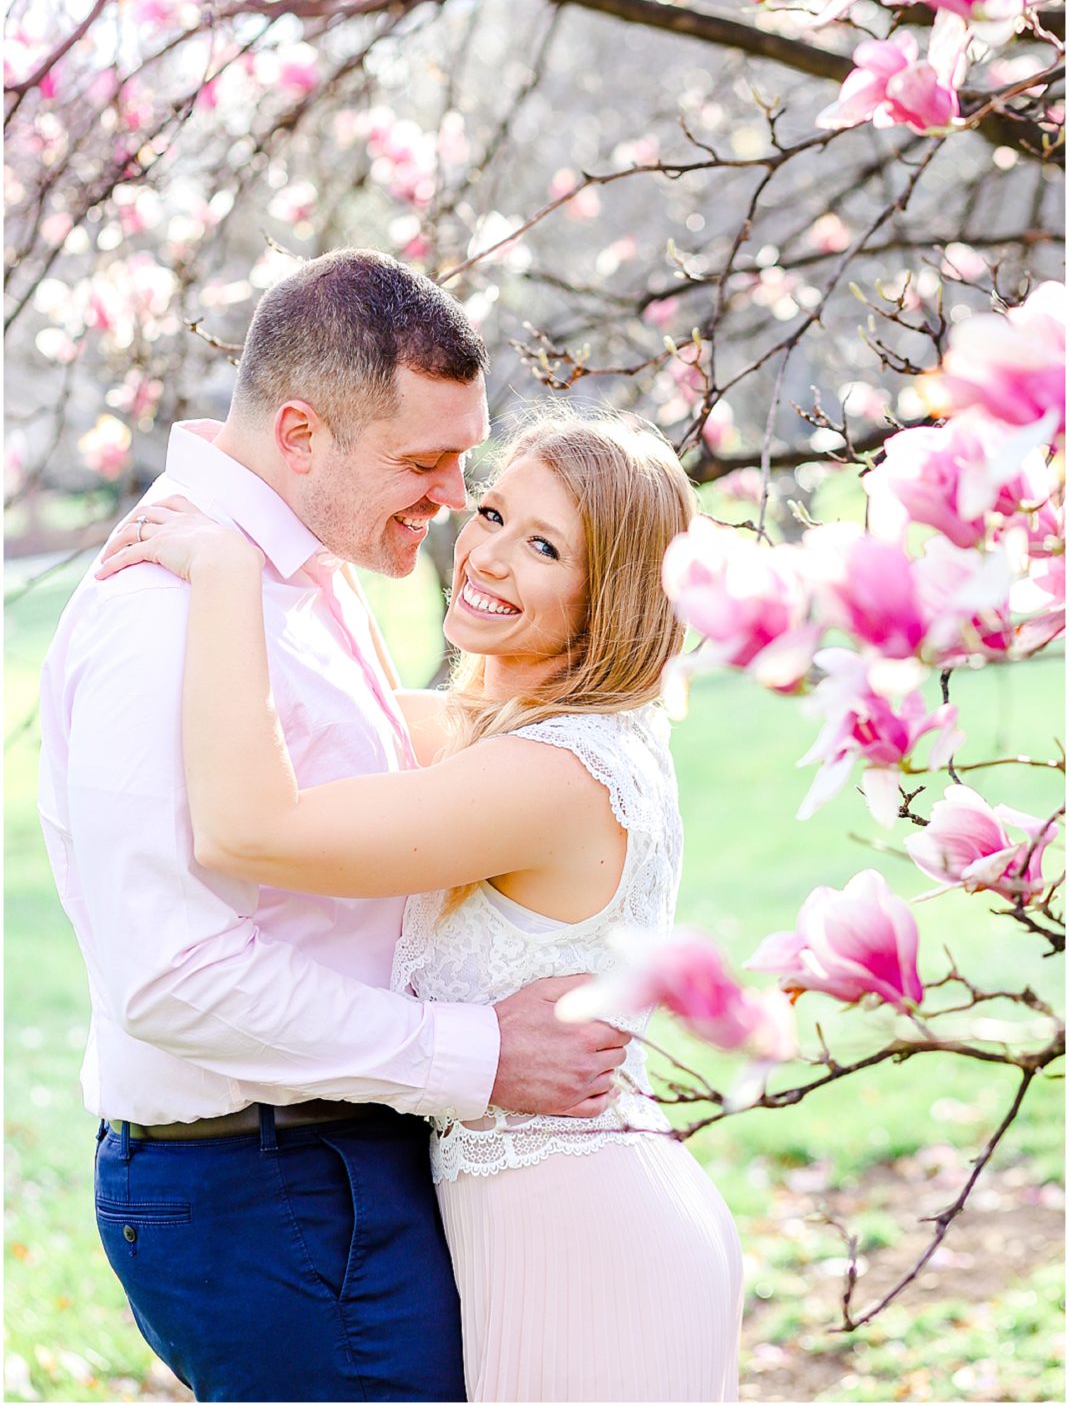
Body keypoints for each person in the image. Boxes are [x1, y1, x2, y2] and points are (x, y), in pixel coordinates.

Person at [38, 249, 631, 1405]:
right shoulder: (165, 615)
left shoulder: (292, 573)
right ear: (301, 433)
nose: (455, 497)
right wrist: (484, 1054)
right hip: (270, 1187)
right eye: (423, 461)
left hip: (332, 1162)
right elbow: (173, 975)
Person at [96, 407, 745, 1403]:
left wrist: (229, 571)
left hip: (589, 1251)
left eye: (541, 545)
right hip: (523, 1238)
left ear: (607, 593)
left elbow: (255, 827)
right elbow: (301, 718)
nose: (484, 555)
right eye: (489, 513)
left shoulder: (553, 773)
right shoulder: (497, 730)